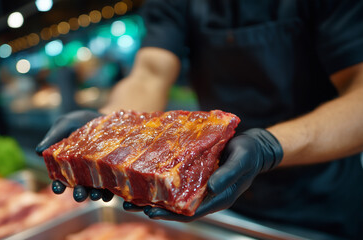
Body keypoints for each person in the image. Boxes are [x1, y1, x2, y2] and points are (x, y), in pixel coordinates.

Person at [36, 0, 363, 238]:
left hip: (320, 205)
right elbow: (150, 73)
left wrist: (269, 146)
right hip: (216, 198)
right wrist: (108, 130)